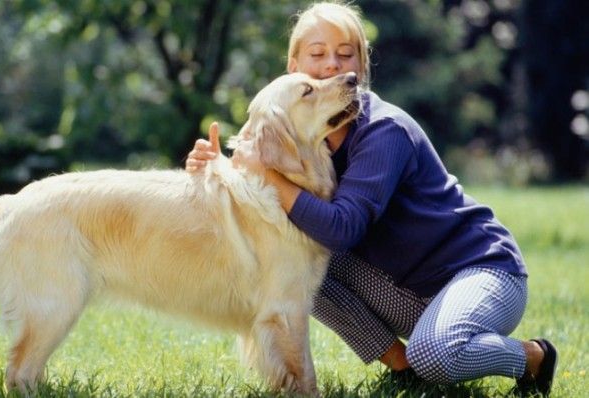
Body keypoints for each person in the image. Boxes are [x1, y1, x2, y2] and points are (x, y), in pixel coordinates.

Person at [186, 2, 557, 395]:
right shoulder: (296, 136)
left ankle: (533, 358)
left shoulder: (384, 131)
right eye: (317, 54)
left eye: (346, 54)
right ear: (292, 67)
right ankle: (404, 367)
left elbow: (341, 228)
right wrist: (213, 168)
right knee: (292, 259)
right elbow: (257, 201)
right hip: (408, 291)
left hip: (480, 273)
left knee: (437, 354)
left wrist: (265, 176)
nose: (332, 65)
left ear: (361, 67)